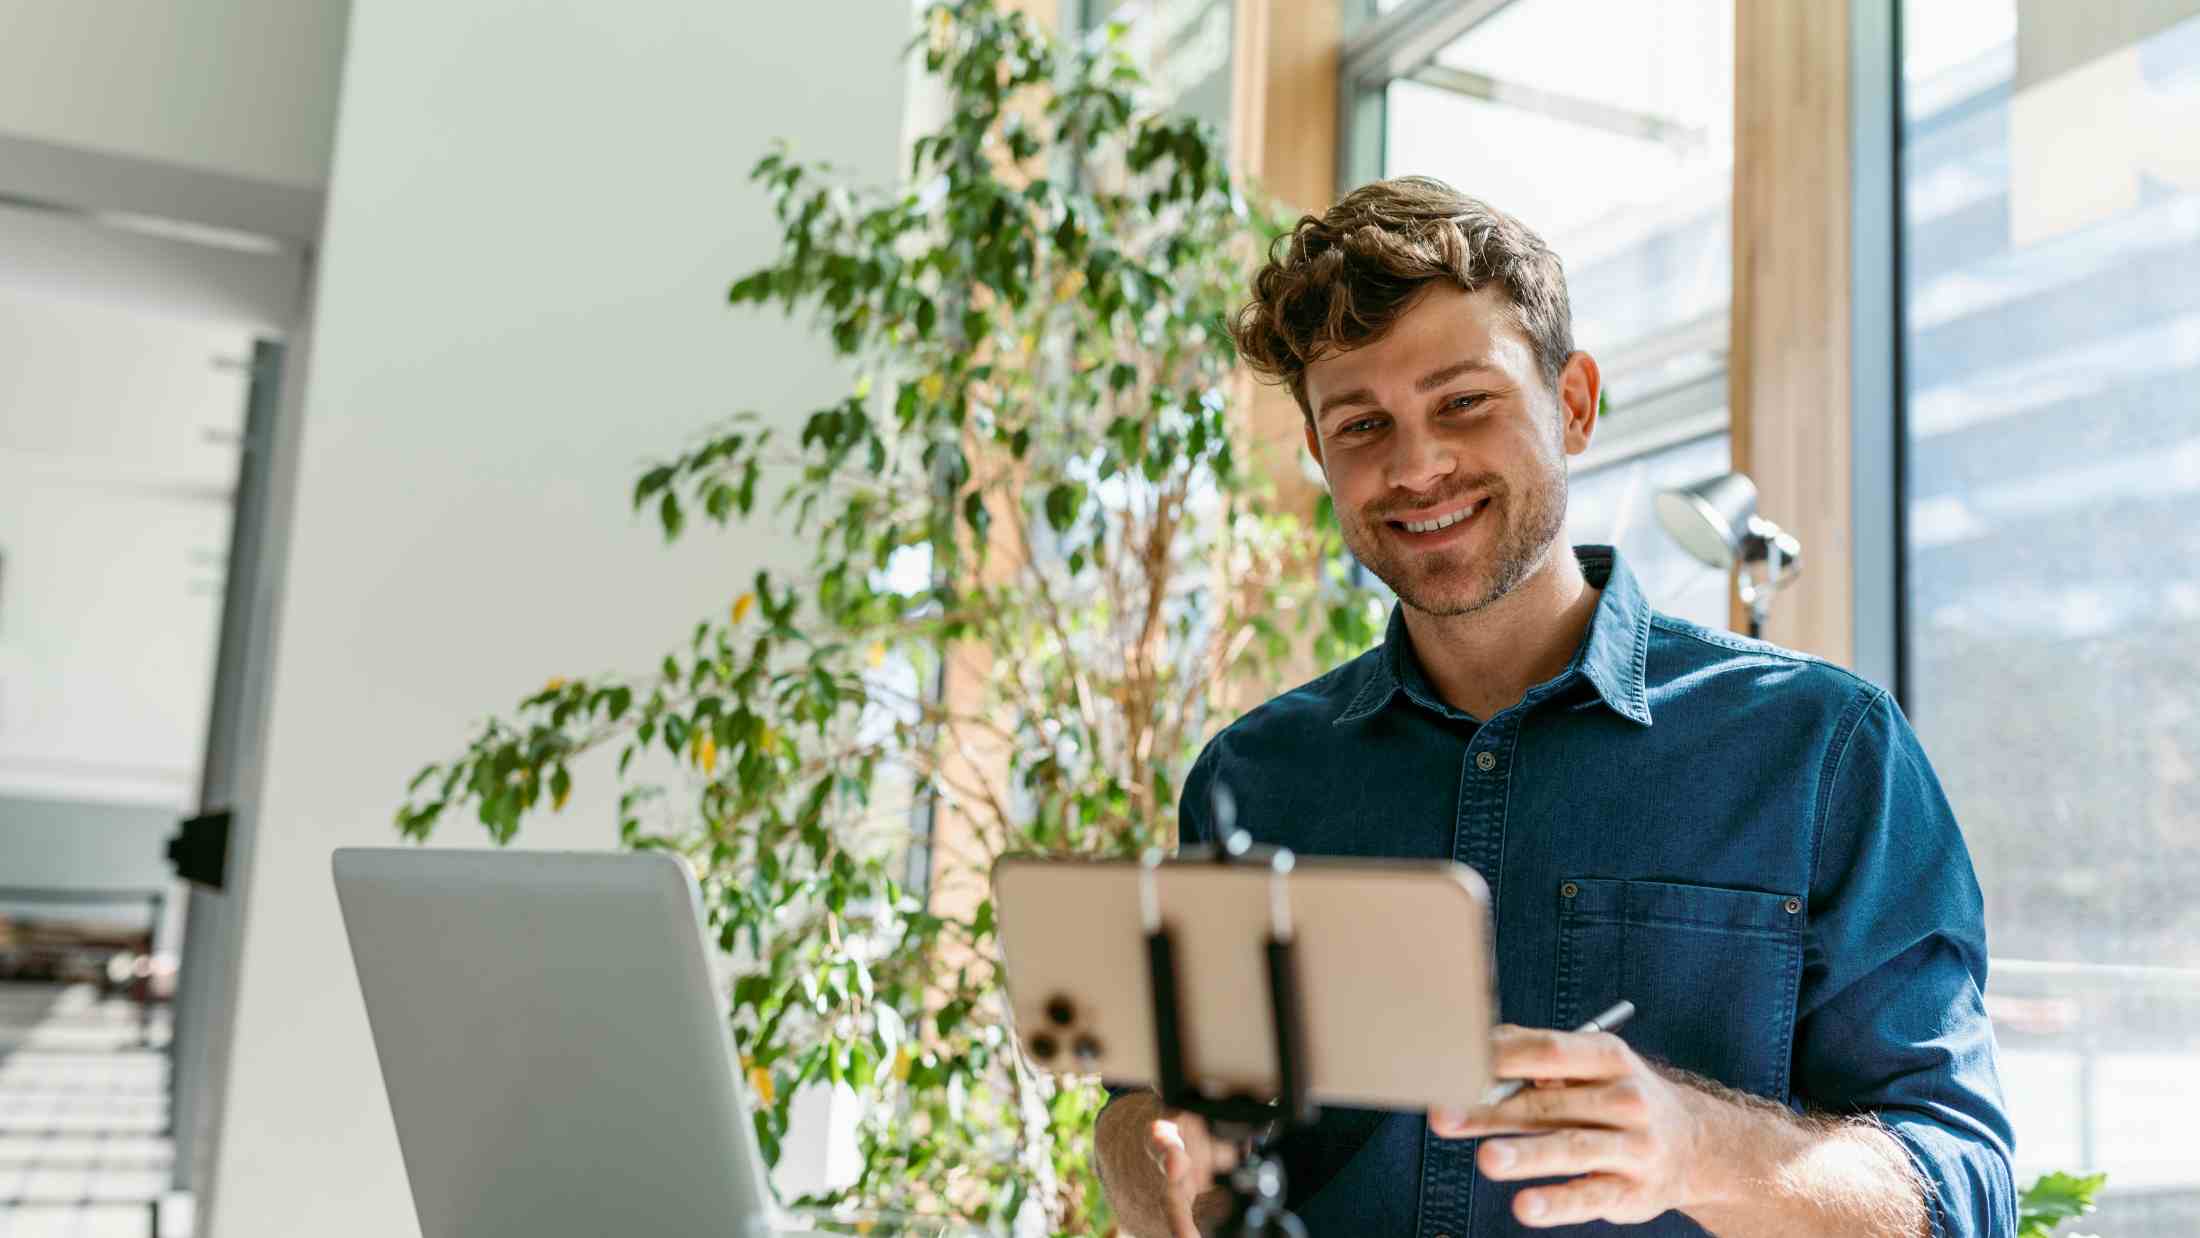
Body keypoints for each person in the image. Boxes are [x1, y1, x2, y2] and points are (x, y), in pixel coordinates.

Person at [1091, 177, 2015, 1237]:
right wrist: (1148, 1162)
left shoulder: (1821, 749)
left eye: (1463, 402)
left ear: (1571, 403)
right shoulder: (1250, 776)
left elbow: (1959, 1191)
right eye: (1360, 425)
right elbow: (1147, 1104)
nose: (1416, 463)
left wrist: (1699, 1144)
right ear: (1318, 455)